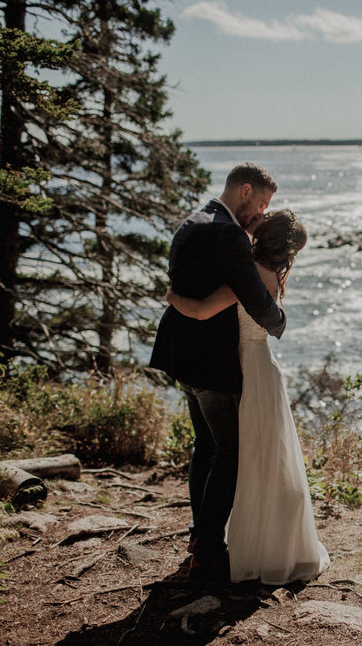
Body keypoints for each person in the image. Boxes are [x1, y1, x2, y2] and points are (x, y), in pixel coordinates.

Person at [168, 209, 330, 585]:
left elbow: (202, 310)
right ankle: (252, 541)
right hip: (260, 366)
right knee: (262, 456)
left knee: (229, 453)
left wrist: (172, 296)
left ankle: (214, 542)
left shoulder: (246, 274)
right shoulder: (271, 275)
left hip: (242, 368)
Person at [149, 163, 285, 581]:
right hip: (211, 364)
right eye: (261, 203)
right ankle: (208, 551)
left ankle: (198, 534)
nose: (261, 212)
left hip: (182, 359)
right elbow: (255, 296)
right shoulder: (227, 234)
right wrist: (279, 323)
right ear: (245, 191)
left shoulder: (193, 221)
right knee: (229, 451)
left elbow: (185, 285)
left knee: (205, 446)